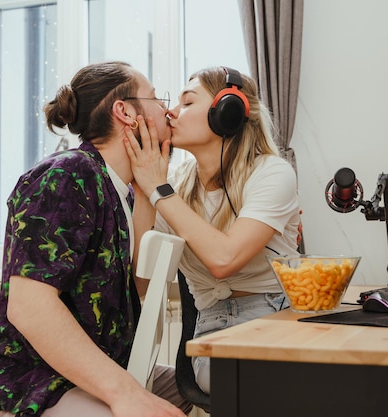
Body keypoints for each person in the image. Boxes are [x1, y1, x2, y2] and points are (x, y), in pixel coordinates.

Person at [0, 61, 191, 417]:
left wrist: (147, 191)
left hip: (90, 374)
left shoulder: (121, 192)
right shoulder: (68, 175)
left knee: (196, 389)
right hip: (28, 384)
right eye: (157, 98)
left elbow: (137, 284)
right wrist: (125, 394)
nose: (166, 109)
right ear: (125, 111)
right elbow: (30, 307)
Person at [123, 66, 301, 393]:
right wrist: (146, 189)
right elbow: (140, 281)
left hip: (278, 317)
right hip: (211, 330)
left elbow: (224, 259)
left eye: (188, 102)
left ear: (227, 112)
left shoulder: (273, 173)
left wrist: (158, 190)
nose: (172, 112)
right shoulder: (173, 186)